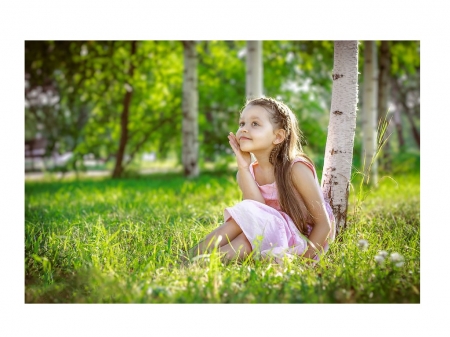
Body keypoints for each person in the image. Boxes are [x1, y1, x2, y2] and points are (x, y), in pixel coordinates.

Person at [189, 97, 335, 263]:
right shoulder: (246, 173)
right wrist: (244, 168)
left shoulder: (296, 169)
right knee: (244, 239)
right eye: (242, 123)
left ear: (278, 136)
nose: (243, 129)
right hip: (270, 235)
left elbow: (324, 224)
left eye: (255, 124)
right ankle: (193, 260)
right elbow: (257, 213)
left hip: (303, 242)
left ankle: (193, 261)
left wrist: (304, 264)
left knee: (246, 239)